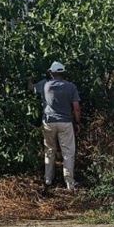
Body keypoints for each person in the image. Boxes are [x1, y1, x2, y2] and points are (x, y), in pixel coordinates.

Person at [33, 61, 81, 192]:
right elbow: (76, 108)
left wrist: (29, 78)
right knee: (68, 153)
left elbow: (30, 88)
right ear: (63, 73)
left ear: (51, 73)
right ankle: (69, 183)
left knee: (49, 151)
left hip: (48, 122)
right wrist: (77, 123)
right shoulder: (71, 87)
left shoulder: (44, 85)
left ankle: (48, 180)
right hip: (65, 122)